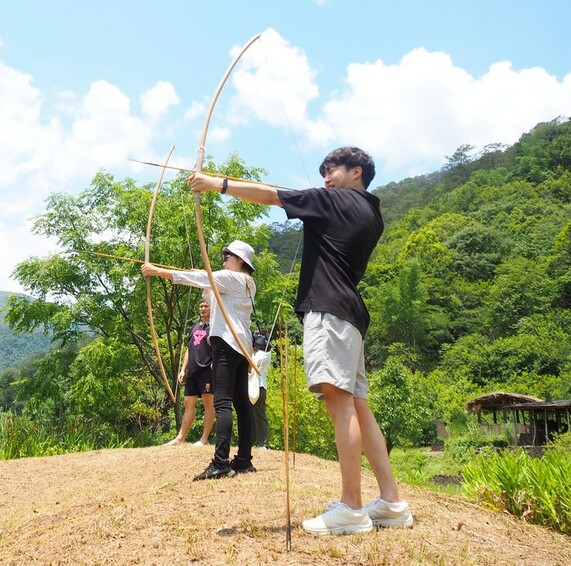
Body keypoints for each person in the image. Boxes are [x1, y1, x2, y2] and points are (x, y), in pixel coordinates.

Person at [188, 147, 413, 534]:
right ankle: (392, 502)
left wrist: (216, 184)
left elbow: (272, 194)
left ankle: (352, 508)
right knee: (359, 406)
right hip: (351, 315)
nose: (325, 177)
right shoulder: (372, 213)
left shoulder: (334, 201)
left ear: (356, 171)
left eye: (333, 170)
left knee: (339, 403)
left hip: (329, 312)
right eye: (323, 171)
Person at [142, 240, 257, 481]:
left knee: (222, 403)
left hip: (227, 344)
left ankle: (220, 463)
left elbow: (200, 279)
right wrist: (205, 279)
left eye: (229, 255)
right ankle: (244, 460)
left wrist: (157, 271)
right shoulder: (246, 283)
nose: (224, 258)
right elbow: (214, 298)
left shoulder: (233, 278)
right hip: (241, 347)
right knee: (241, 405)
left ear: (240, 261)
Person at [164, 296, 215, 446]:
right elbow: (189, 349)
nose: (203, 308)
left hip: (207, 369)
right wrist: (182, 370)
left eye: (206, 306)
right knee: (188, 403)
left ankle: (204, 439)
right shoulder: (194, 327)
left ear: (212, 308)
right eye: (201, 306)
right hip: (192, 370)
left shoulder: (215, 327)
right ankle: (180, 438)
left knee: (208, 404)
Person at [250, 333, 271, 449]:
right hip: (252, 386)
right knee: (251, 415)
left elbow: (251, 363)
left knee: (259, 415)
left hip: (259, 386)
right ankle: (252, 441)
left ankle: (263, 443)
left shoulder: (263, 355)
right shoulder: (257, 354)